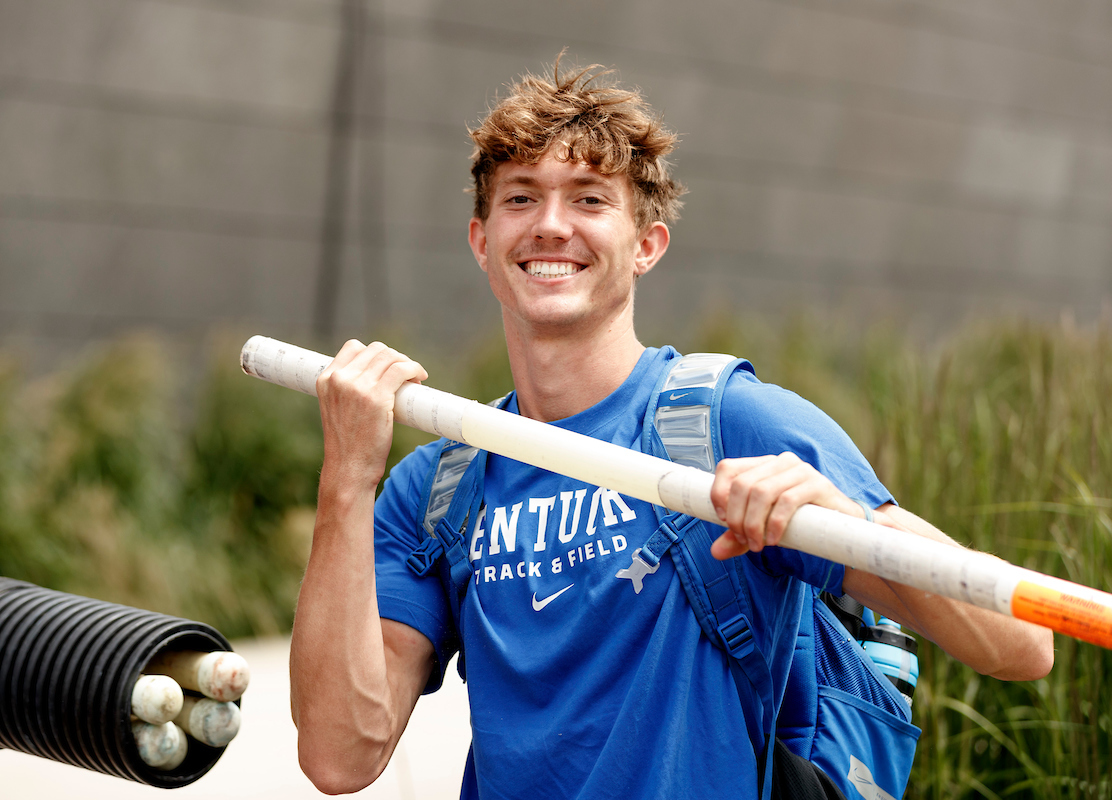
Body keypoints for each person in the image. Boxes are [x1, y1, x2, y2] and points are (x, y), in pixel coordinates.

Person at [288, 61, 1054, 798]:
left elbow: (1023, 644)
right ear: (482, 241)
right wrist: (346, 479)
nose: (551, 225)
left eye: (590, 200)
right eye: (521, 198)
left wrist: (841, 518)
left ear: (646, 246)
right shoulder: (442, 486)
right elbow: (339, 756)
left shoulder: (733, 422)